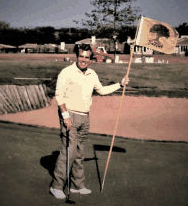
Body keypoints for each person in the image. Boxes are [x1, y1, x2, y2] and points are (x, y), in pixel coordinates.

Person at [50, 44, 130, 199]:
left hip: (85, 117)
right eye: (81, 56)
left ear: (91, 59)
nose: (83, 60)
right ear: (77, 56)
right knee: (69, 152)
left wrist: (120, 85)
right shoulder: (66, 72)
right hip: (70, 116)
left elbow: (100, 90)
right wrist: (65, 116)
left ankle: (77, 185)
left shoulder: (92, 74)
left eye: (87, 57)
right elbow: (59, 96)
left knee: (79, 153)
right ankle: (57, 186)